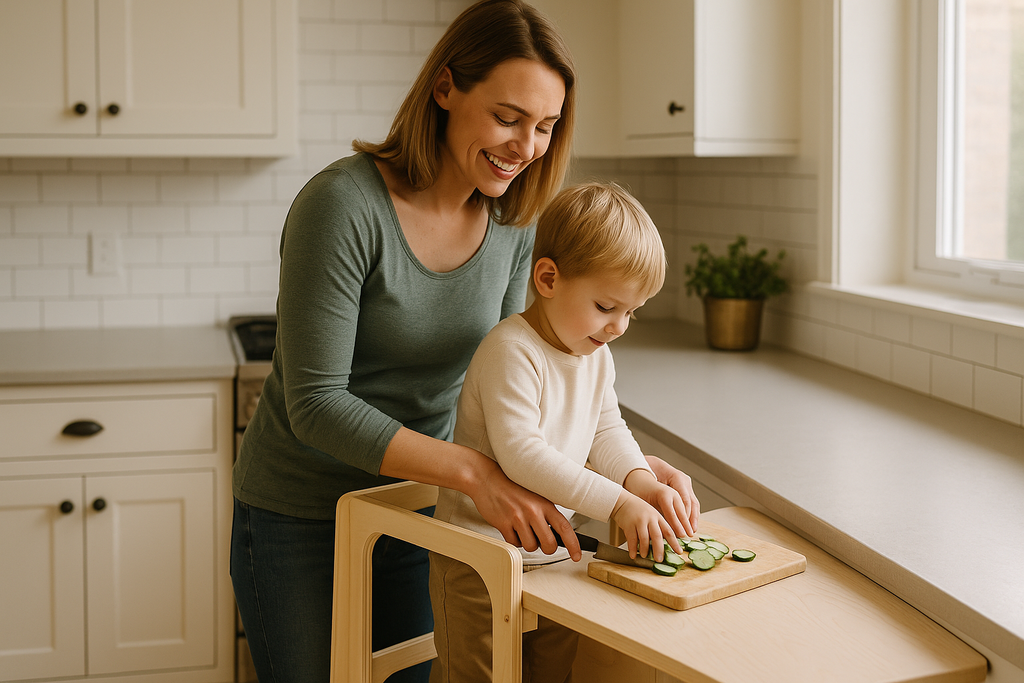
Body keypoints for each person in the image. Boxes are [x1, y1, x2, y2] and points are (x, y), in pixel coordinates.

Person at [229, 1, 698, 682]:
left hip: (427, 510)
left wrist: (630, 472)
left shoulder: (514, 227)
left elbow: (521, 380)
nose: (526, 146)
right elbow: (316, 403)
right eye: (508, 118)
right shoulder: (342, 207)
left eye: (544, 126)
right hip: (302, 516)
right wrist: (474, 472)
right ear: (445, 88)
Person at [430, 182, 701, 683]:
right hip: (478, 559)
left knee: (551, 672)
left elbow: (607, 428)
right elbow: (523, 456)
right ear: (548, 278)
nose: (619, 326)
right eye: (606, 306)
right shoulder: (512, 349)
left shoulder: (595, 353)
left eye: (631, 312)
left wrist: (640, 482)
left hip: (555, 553)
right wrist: (619, 504)